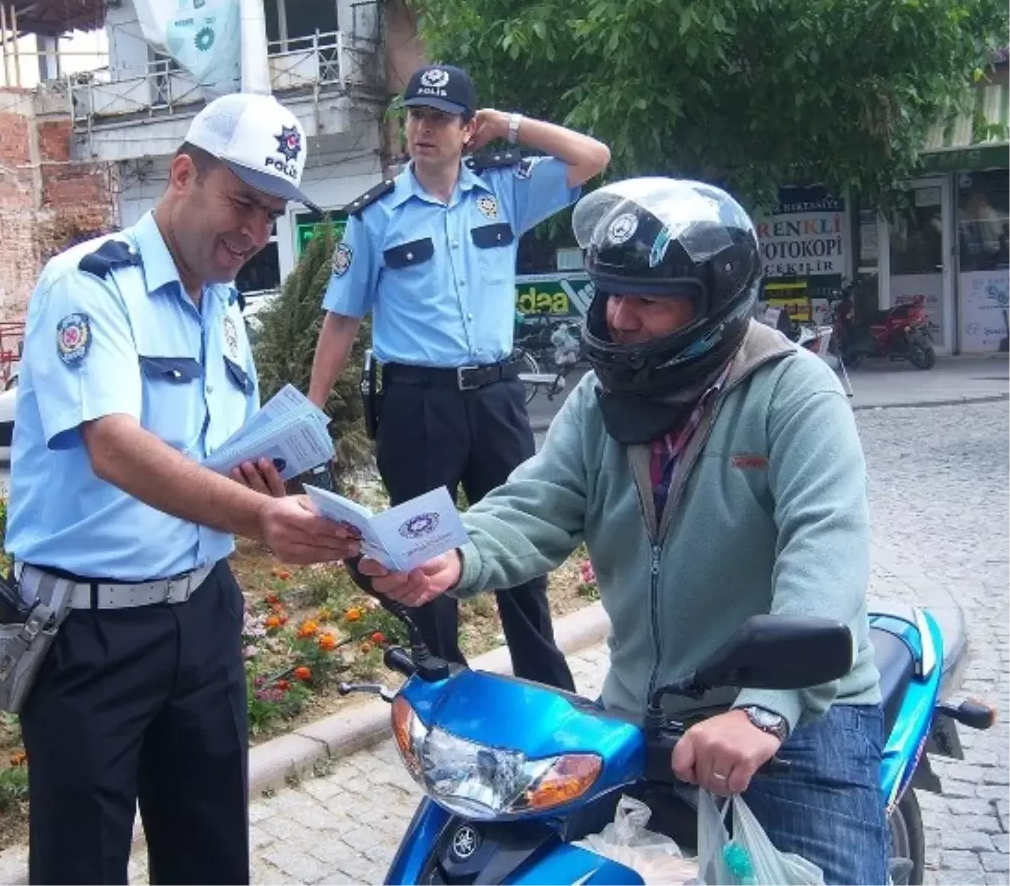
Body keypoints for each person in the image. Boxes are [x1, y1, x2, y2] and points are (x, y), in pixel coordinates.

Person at [358, 176, 888, 885]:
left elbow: (826, 553)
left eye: (648, 300)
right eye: (610, 294)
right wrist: (454, 554)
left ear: (714, 306)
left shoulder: (794, 394)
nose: (618, 317)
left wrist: (764, 710)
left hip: (796, 726)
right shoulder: (600, 401)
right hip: (641, 715)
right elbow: (537, 502)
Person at [3, 92, 361, 886]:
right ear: (181, 174)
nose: (255, 233)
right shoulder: (91, 285)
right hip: (88, 631)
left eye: (271, 215)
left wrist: (267, 480)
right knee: (81, 865)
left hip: (201, 614)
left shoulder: (222, 305)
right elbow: (115, 449)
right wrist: (264, 513)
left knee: (209, 859)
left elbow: (207, 457)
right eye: (242, 204)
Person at [307, 63, 611, 692]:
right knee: (422, 551)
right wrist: (312, 417)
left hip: (497, 398)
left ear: (469, 129)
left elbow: (593, 157)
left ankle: (546, 690)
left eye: (440, 118)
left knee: (518, 545)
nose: (423, 128)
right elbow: (340, 322)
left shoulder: (506, 191)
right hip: (417, 405)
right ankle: (442, 689)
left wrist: (513, 125)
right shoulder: (377, 216)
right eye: (416, 115)